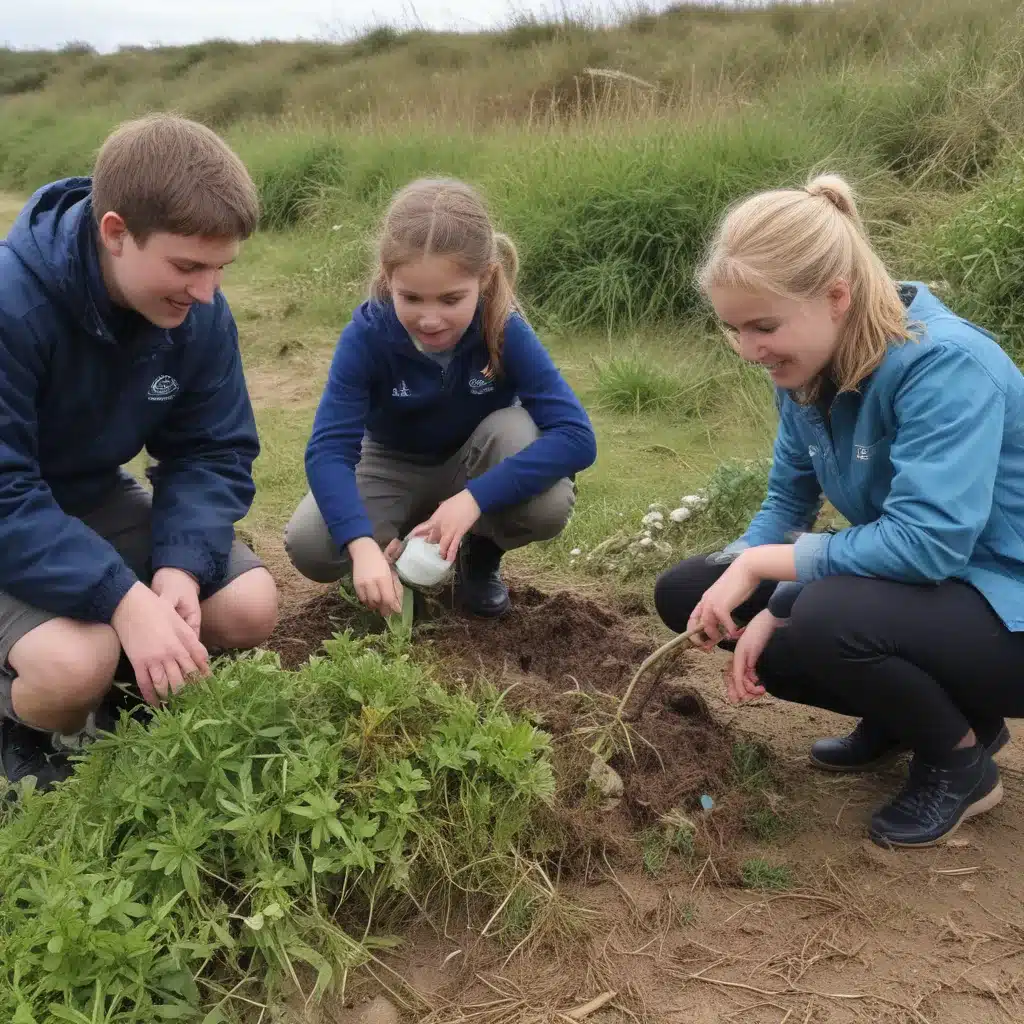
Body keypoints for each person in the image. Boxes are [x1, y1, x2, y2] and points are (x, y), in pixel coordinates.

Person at [653, 173, 1024, 849]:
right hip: (930, 597)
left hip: (1008, 607)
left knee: (825, 616)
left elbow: (928, 545)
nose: (747, 349)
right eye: (733, 328)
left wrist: (779, 590)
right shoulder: (801, 369)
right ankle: (906, 714)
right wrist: (741, 580)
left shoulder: (944, 366)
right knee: (692, 590)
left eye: (764, 326)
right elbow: (787, 503)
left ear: (836, 297)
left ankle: (959, 760)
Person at [0, 114, 279, 790]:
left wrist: (179, 571)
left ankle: (121, 691)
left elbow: (211, 449)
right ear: (115, 233)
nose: (208, 292)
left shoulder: (198, 311)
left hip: (89, 495)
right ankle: (19, 729)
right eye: (187, 266)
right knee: (74, 661)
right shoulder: (12, 307)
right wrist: (123, 598)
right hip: (10, 513)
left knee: (248, 605)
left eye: (220, 268)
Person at [285, 178, 597, 618]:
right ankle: (388, 556)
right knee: (312, 546)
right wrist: (360, 544)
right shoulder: (366, 335)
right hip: (391, 462)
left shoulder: (504, 328)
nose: (430, 320)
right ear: (388, 277)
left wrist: (473, 499)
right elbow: (328, 451)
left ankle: (480, 555)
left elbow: (577, 437)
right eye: (410, 297)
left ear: (485, 278)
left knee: (533, 471)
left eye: (451, 299)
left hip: (474, 462)